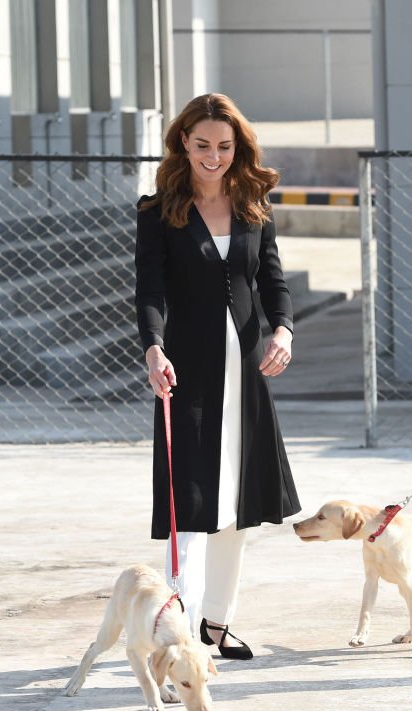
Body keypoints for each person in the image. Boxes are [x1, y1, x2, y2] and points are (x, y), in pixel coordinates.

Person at [135, 93, 301, 660]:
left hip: (249, 374)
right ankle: (174, 635)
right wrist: (154, 348)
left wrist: (283, 331)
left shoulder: (254, 204)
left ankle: (216, 625)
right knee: (193, 504)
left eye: (225, 147)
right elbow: (150, 292)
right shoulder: (158, 213)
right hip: (190, 376)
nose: (213, 156)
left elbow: (273, 282)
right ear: (184, 141)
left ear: (239, 148)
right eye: (203, 144)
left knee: (238, 505)